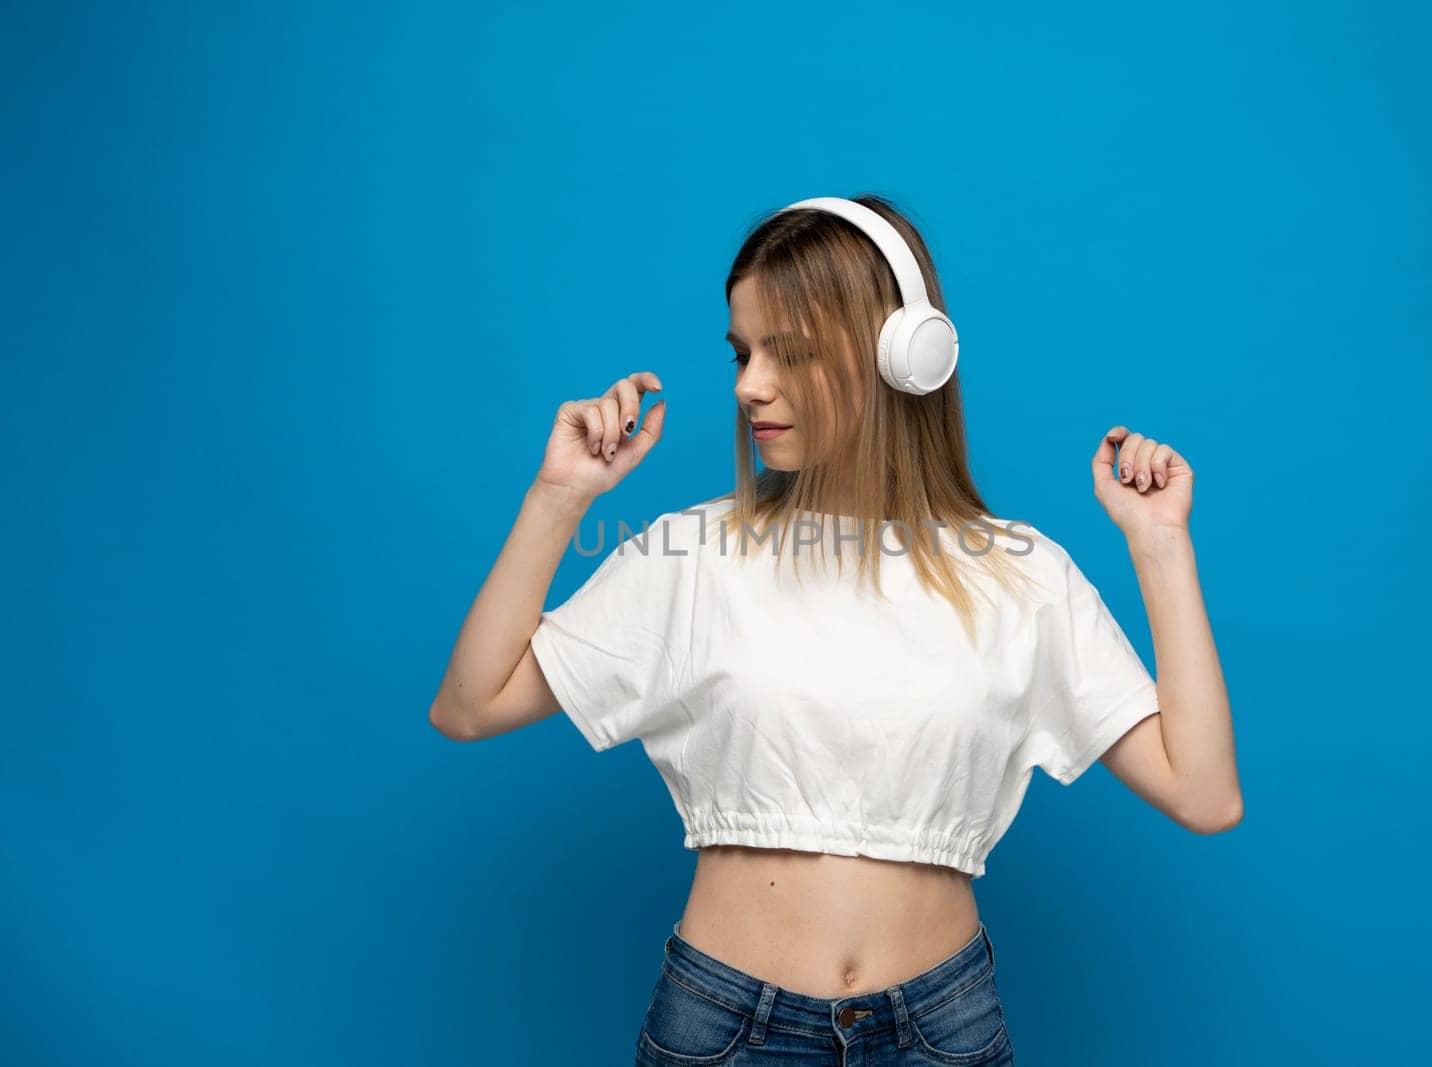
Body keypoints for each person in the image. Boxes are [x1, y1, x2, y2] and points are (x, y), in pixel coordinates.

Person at [429, 194, 1242, 1064]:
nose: (749, 385)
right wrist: (559, 498)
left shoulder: (1019, 572)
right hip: (724, 1025)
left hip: (944, 1029)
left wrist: (1160, 547)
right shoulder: (693, 554)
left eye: (791, 351)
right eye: (743, 352)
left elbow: (1204, 793)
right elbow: (471, 703)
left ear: (903, 357)